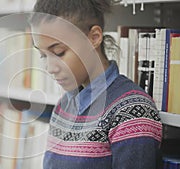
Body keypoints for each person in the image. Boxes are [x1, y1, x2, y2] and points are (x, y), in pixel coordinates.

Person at [28, 0, 162, 168]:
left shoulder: (133, 111)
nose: (49, 67)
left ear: (94, 38)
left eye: (59, 53)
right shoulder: (64, 105)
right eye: (43, 55)